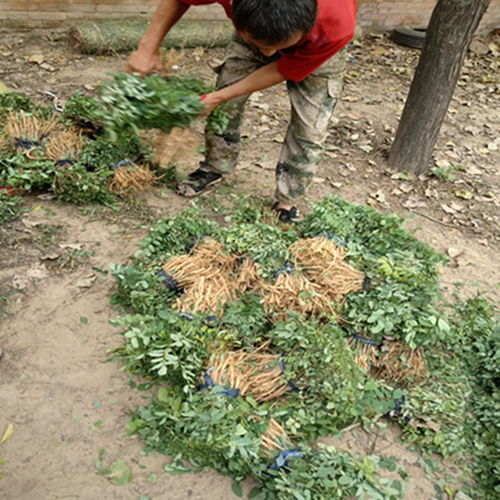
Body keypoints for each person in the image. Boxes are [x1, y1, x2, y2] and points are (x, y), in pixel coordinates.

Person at [127, 0, 357, 221]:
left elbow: (283, 69)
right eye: (263, 48)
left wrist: (217, 97)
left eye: (277, 48)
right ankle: (215, 166)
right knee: (226, 105)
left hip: (319, 46)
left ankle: (287, 199)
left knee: (310, 127)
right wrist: (147, 48)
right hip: (254, 28)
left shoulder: (336, 23)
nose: (269, 54)